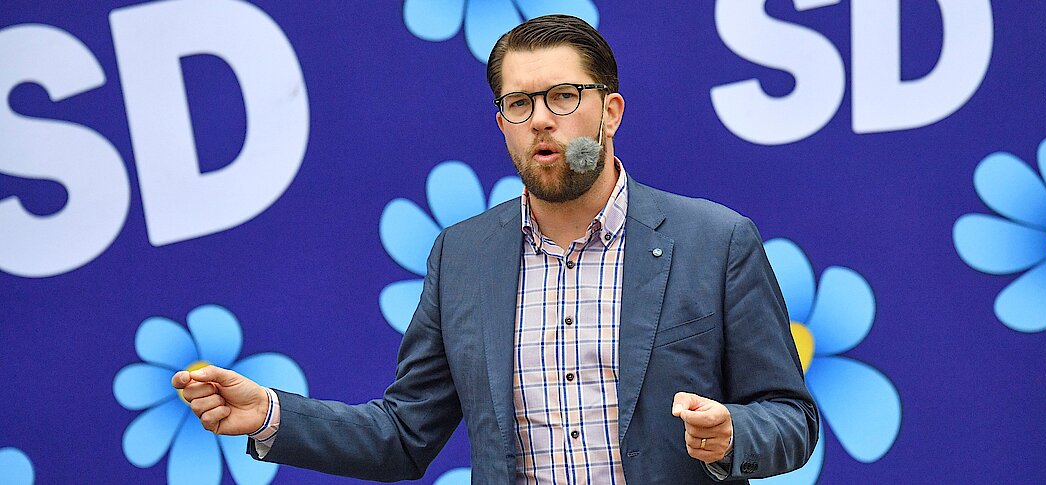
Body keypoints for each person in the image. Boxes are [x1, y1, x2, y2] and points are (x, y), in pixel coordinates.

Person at [173, 14, 818, 484]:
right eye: (519, 103)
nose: (541, 118)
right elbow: (404, 435)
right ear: (503, 123)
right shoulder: (463, 258)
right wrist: (270, 416)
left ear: (610, 111)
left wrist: (733, 434)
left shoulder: (715, 241)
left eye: (564, 97)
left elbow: (792, 419)